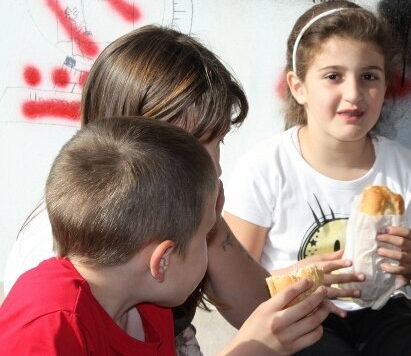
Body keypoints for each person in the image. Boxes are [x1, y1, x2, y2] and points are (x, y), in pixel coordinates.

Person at [3, 25, 346, 354]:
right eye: (192, 147)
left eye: (218, 141)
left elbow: (256, 304)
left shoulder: (174, 205)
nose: (215, 167)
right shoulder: (56, 277)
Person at [224, 0, 411, 355]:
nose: (354, 94)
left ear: (385, 84)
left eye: (369, 76)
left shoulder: (407, 170)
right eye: (333, 76)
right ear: (298, 86)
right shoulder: (265, 168)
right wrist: (298, 276)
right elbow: (234, 292)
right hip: (303, 316)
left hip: (390, 314)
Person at [0, 117, 330, 354]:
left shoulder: (149, 304)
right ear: (163, 261)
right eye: (205, 236)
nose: (209, 246)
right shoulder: (46, 328)